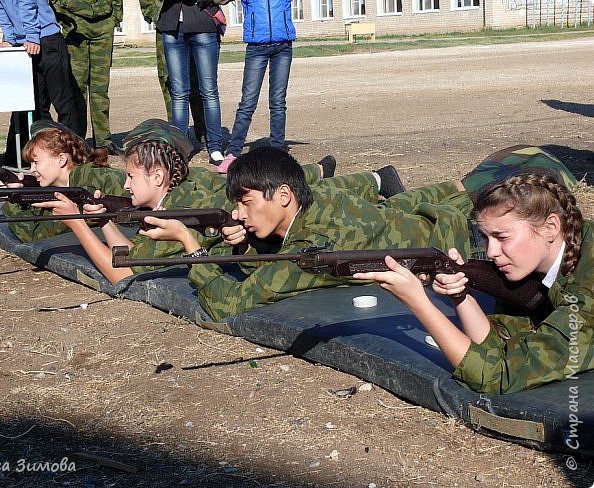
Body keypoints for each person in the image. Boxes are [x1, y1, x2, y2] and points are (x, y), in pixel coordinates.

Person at [33, 119, 394, 284]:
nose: (124, 184)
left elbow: (120, 272)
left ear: (158, 177)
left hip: (265, 202)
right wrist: (103, 222)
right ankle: (331, 172)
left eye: (131, 176)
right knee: (312, 190)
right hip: (258, 199)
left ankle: (377, 180)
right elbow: (127, 254)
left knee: (333, 200)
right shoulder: (178, 193)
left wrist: (78, 224)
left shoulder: (180, 211)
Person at [142, 147, 476, 321]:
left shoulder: (311, 248)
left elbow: (228, 304)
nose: (239, 214)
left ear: (284, 195)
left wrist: (190, 244)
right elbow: (270, 266)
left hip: (464, 248)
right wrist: (244, 246)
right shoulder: (315, 201)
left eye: (246, 202)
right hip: (438, 222)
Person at [354, 174, 592, 395]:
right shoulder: (544, 262)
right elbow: (495, 347)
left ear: (551, 227)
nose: (491, 252)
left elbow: (495, 376)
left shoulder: (586, 295)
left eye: (502, 237)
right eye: (486, 238)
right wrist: (460, 295)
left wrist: (419, 304)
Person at [0, 120, 127, 243]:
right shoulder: (73, 184)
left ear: (61, 159)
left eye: (36, 162)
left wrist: (10, 201)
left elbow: (34, 235)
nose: (31, 170)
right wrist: (14, 193)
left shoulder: (96, 183)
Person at [0, 0, 79, 165]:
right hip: (25, 44)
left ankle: (74, 153)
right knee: (36, 105)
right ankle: (48, 153)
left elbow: (27, 4)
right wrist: (10, 39)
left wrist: (31, 36)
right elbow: (0, 10)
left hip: (47, 39)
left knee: (63, 101)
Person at [216, 0, 297, 173]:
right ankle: (233, 153)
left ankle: (276, 151)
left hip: (283, 47)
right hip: (256, 48)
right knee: (247, 102)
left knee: (277, 102)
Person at [50, 0, 123, 162]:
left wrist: (115, 17)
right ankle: (77, 140)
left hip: (103, 25)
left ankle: (103, 141)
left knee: (100, 90)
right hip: (74, 28)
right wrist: (62, 18)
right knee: (77, 90)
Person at [158, 0, 224, 164]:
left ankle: (215, 147)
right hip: (172, 27)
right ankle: (180, 149)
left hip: (203, 25)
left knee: (209, 91)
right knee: (179, 93)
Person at [138, 0, 207, 150]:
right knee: (170, 81)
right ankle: (177, 136)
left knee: (198, 79)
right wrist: (158, 15)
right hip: (166, 24)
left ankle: (204, 133)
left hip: (195, 20)